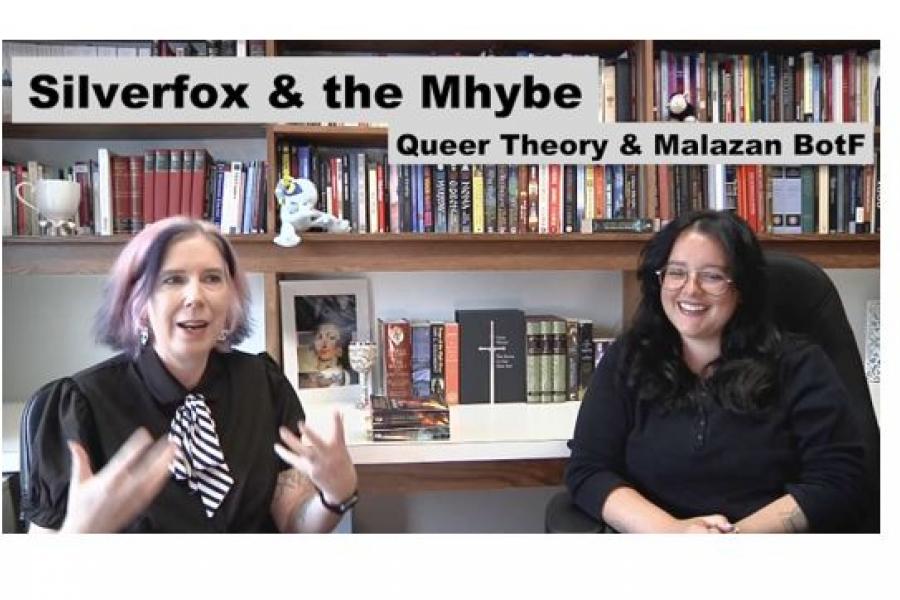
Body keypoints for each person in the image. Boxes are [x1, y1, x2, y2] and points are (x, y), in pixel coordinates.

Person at [21, 217, 358, 533]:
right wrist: (80, 533)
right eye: (173, 279)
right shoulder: (76, 406)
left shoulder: (264, 385)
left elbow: (293, 521)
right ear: (139, 302)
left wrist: (335, 496)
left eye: (212, 278)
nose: (195, 296)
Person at [566, 210, 866, 533]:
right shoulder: (629, 358)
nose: (690, 290)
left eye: (712, 277)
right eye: (676, 272)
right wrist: (674, 532)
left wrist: (731, 540)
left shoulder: (799, 365)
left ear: (742, 288)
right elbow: (589, 470)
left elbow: (838, 481)